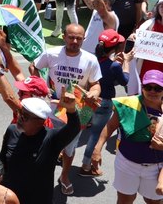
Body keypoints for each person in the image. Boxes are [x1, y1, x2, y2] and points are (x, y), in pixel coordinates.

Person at [33, 23, 102, 195]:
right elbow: (35, 67)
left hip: (78, 112)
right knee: (46, 144)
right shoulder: (51, 53)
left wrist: (93, 93)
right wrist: (41, 84)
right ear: (64, 36)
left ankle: (64, 176)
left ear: (83, 39)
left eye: (79, 38)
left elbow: (96, 84)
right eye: (71, 37)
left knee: (70, 148)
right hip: (53, 108)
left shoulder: (90, 60)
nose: (75, 41)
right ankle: (43, 175)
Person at [91, 70, 163, 204]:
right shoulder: (128, 105)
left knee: (153, 201)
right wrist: (97, 148)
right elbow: (110, 126)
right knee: (125, 200)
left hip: (156, 168)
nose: (152, 91)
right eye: (148, 87)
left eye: (158, 88)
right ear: (142, 88)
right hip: (127, 164)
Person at [79, 29, 131, 178]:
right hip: (104, 103)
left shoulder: (90, 59)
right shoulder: (113, 66)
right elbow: (125, 81)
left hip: (88, 99)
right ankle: (86, 166)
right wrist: (126, 63)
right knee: (95, 135)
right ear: (114, 48)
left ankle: (63, 154)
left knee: (77, 129)